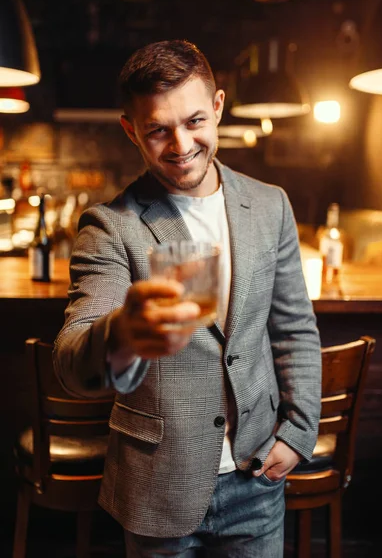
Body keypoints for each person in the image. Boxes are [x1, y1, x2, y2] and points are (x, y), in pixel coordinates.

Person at [53, 39, 321, 558]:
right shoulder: (110, 227)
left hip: (258, 476)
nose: (180, 144)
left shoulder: (270, 205)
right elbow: (71, 357)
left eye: (195, 120)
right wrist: (123, 333)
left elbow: (294, 330)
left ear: (218, 107)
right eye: (158, 129)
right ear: (131, 129)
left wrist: (298, 432)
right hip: (159, 487)